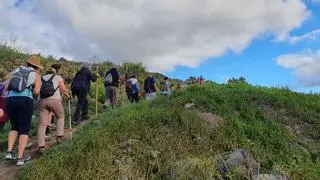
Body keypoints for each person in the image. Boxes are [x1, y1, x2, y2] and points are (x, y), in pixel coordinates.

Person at [5, 55, 42, 166]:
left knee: (14, 126)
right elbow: (36, 91)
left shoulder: (16, 70)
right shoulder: (36, 75)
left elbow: (7, 86)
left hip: (10, 99)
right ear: (36, 66)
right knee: (24, 129)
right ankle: (20, 158)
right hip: (25, 99)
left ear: (27, 63)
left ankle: (9, 152)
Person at [37, 68, 70, 154]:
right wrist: (68, 95)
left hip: (43, 101)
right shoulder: (57, 77)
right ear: (54, 72)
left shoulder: (41, 78)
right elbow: (63, 89)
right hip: (55, 100)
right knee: (60, 116)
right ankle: (59, 137)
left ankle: (41, 146)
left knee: (42, 124)